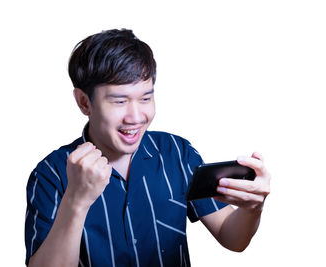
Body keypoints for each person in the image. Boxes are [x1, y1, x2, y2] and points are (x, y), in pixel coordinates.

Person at [24, 29, 271, 267]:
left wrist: (252, 208)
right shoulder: (52, 173)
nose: (136, 117)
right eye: (120, 101)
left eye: (145, 98)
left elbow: (233, 238)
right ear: (84, 102)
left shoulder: (177, 152)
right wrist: (75, 202)